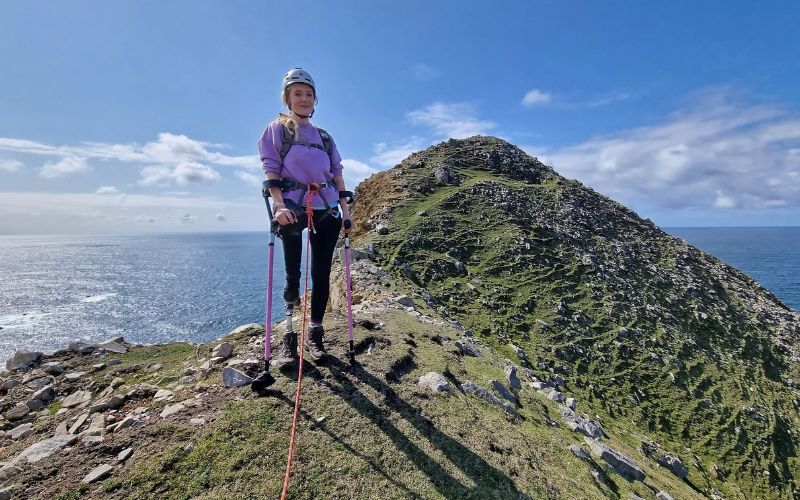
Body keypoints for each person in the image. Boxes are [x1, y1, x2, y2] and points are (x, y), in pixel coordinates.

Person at [258, 68, 351, 366]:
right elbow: (270, 167)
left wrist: (345, 213)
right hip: (293, 208)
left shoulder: (324, 137)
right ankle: (288, 339)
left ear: (315, 100)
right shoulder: (278, 129)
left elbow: (337, 173)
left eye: (308, 94)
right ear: (287, 98)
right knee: (292, 276)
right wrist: (279, 205)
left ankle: (315, 333)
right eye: (297, 93)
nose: (304, 98)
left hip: (325, 208)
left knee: (321, 274)